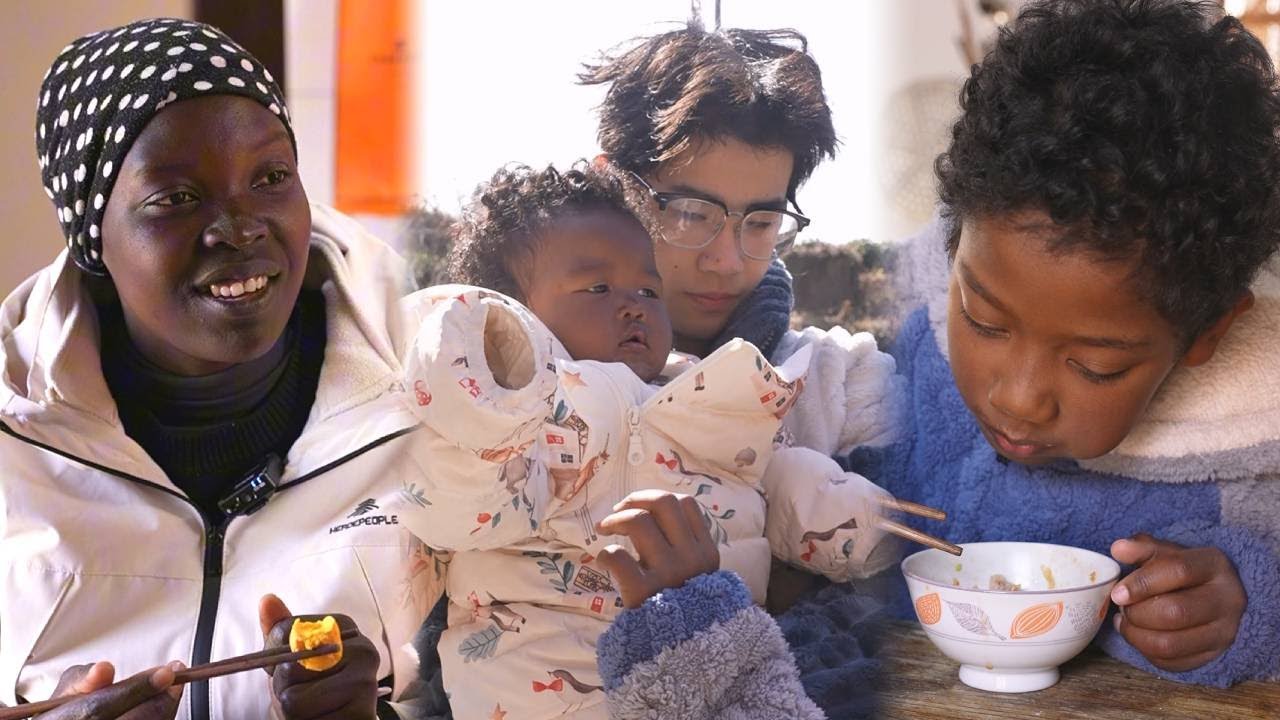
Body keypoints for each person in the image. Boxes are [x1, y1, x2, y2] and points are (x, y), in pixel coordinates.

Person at [0, 18, 443, 719]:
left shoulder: (444, 401)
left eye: (271, 178)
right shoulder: (13, 439)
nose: (240, 228)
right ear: (91, 236)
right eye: (176, 198)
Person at [855, 0, 1280, 686]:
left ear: (1207, 334)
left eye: (1095, 366)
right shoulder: (909, 336)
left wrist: (1247, 606)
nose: (1018, 400)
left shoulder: (1250, 439)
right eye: (985, 321)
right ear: (954, 247)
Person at [400, 162, 888, 718]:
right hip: (544, 684)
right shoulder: (522, 414)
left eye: (649, 289)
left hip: (710, 668)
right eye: (599, 287)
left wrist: (860, 519)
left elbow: (766, 474)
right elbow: (452, 500)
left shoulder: (709, 389)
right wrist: (480, 397)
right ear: (516, 318)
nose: (634, 304)